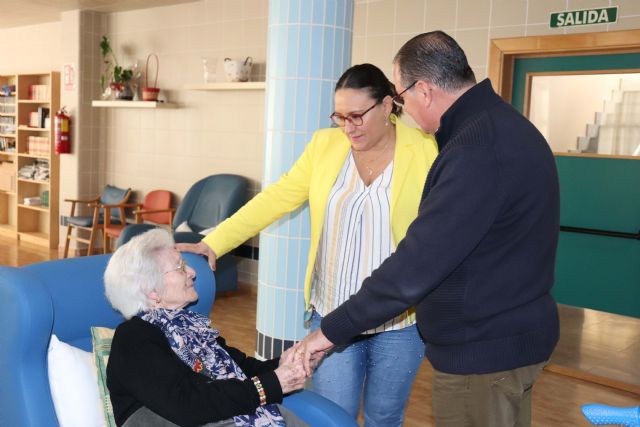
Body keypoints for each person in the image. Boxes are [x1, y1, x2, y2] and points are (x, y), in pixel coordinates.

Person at [297, 31, 561, 427]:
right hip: (506, 343)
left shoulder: (475, 149)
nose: (405, 111)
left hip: (484, 355)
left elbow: (416, 264)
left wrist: (328, 331)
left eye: (400, 100)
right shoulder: (502, 127)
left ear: (424, 90)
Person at [178, 63, 439, 426]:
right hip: (333, 314)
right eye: (340, 116)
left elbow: (442, 231)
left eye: (358, 116)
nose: (348, 127)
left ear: (387, 105)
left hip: (400, 320)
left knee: (385, 416)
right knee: (331, 416)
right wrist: (215, 242)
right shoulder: (325, 145)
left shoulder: (426, 150)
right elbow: (276, 198)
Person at [104, 228, 310, 427]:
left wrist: (284, 365)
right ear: (152, 291)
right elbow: (186, 406)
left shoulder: (190, 329)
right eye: (180, 267)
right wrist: (267, 386)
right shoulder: (134, 338)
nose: (192, 272)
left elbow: (243, 368)